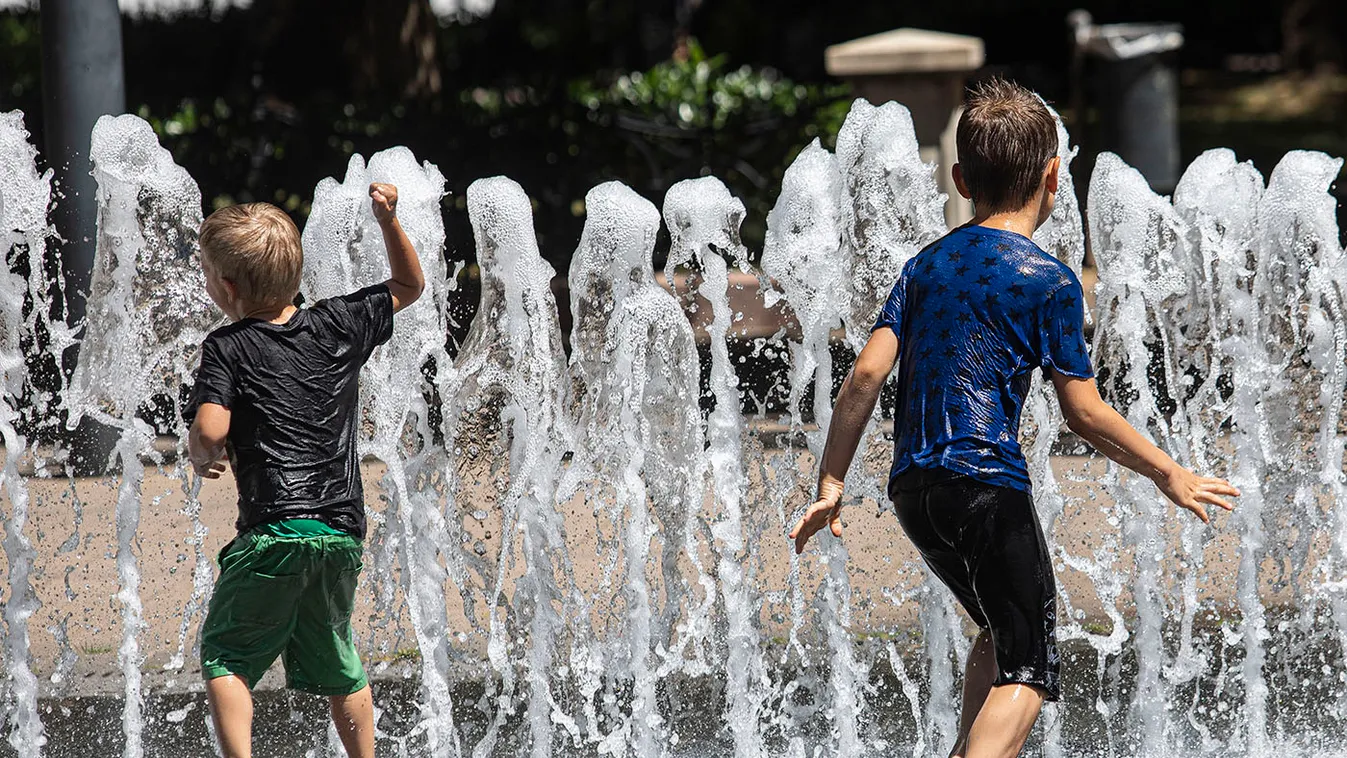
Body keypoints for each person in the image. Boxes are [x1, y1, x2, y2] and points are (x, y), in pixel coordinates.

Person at [788, 79, 1239, 758]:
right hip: (984, 486)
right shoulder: (1047, 280)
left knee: (999, 637)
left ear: (961, 178)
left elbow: (865, 377)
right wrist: (1167, 472)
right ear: (1054, 178)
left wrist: (829, 484)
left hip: (914, 489)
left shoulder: (922, 267)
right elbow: (1082, 412)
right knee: (1029, 669)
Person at [186, 184, 423, 758]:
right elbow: (409, 287)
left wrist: (200, 451)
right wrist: (388, 221)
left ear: (228, 287)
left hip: (273, 535)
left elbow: (213, 430)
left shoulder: (228, 347)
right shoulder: (338, 323)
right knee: (339, 659)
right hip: (341, 533)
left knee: (226, 654)